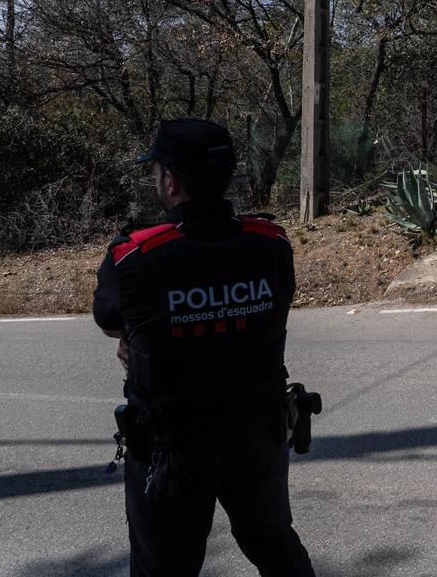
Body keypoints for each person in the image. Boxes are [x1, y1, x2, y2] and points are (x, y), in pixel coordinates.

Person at [93, 119, 316, 577]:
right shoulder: (271, 244)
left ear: (170, 181)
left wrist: (144, 337)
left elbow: (111, 320)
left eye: (157, 173)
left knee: (165, 568)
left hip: (171, 447)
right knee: (274, 544)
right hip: (258, 434)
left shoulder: (134, 256)